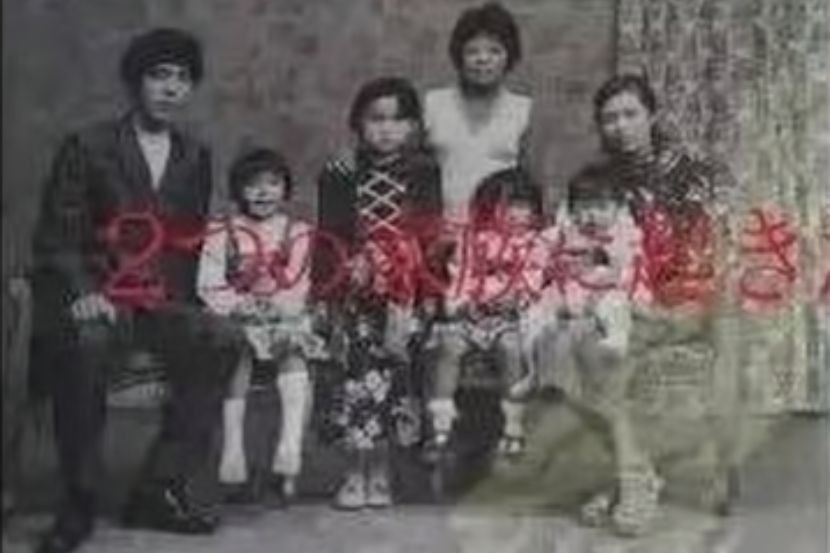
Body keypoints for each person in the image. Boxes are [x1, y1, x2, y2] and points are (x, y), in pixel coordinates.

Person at [28, 28, 243, 553]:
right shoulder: (89, 145)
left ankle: (157, 490)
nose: (170, 88)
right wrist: (84, 292)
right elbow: (57, 236)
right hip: (98, 298)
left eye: (182, 79)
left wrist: (202, 299)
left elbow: (189, 242)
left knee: (221, 338)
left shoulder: (194, 155)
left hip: (160, 302)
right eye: (158, 76)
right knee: (85, 344)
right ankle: (78, 503)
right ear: (134, 83)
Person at [563, 73, 737, 535]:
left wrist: (663, 304)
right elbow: (582, 246)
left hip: (687, 301)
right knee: (570, 345)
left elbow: (712, 255)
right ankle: (637, 472)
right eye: (609, 118)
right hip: (621, 300)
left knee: (606, 352)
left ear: (652, 115)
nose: (620, 126)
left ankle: (631, 482)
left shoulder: (694, 174)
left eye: (630, 114)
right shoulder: (601, 179)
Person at [311, 77, 442, 510]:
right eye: (376, 119)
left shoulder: (424, 171)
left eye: (398, 120)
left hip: (404, 294)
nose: (387, 129)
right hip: (354, 295)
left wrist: (429, 291)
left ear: (413, 126)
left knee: (395, 381)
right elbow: (328, 237)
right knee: (355, 381)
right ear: (358, 124)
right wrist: (327, 293)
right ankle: (353, 471)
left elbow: (431, 236)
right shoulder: (340, 172)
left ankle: (383, 471)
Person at [197, 148, 320, 507]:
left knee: (293, 348)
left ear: (285, 189)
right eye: (253, 185)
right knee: (236, 349)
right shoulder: (222, 231)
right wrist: (238, 304)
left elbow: (301, 281)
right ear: (238, 190)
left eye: (273, 184)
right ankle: (233, 450)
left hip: (282, 316)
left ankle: (289, 446)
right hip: (240, 317)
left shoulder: (298, 232)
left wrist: (279, 305)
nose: (263, 192)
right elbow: (209, 282)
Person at [427, 168, 542, 458]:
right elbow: (459, 277)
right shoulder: (472, 240)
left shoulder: (536, 244)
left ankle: (513, 426)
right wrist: (463, 304)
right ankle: (441, 425)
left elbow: (535, 280)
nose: (513, 215)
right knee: (449, 347)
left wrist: (516, 300)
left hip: (510, 318)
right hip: (471, 316)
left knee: (512, 349)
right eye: (503, 207)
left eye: (522, 207)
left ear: (534, 210)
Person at [424, 2, 533, 221]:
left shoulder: (523, 110)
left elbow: (530, 186)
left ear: (509, 57)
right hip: (439, 229)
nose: (483, 59)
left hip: (497, 231)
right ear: (459, 56)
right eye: (473, 51)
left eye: (494, 51)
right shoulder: (432, 104)